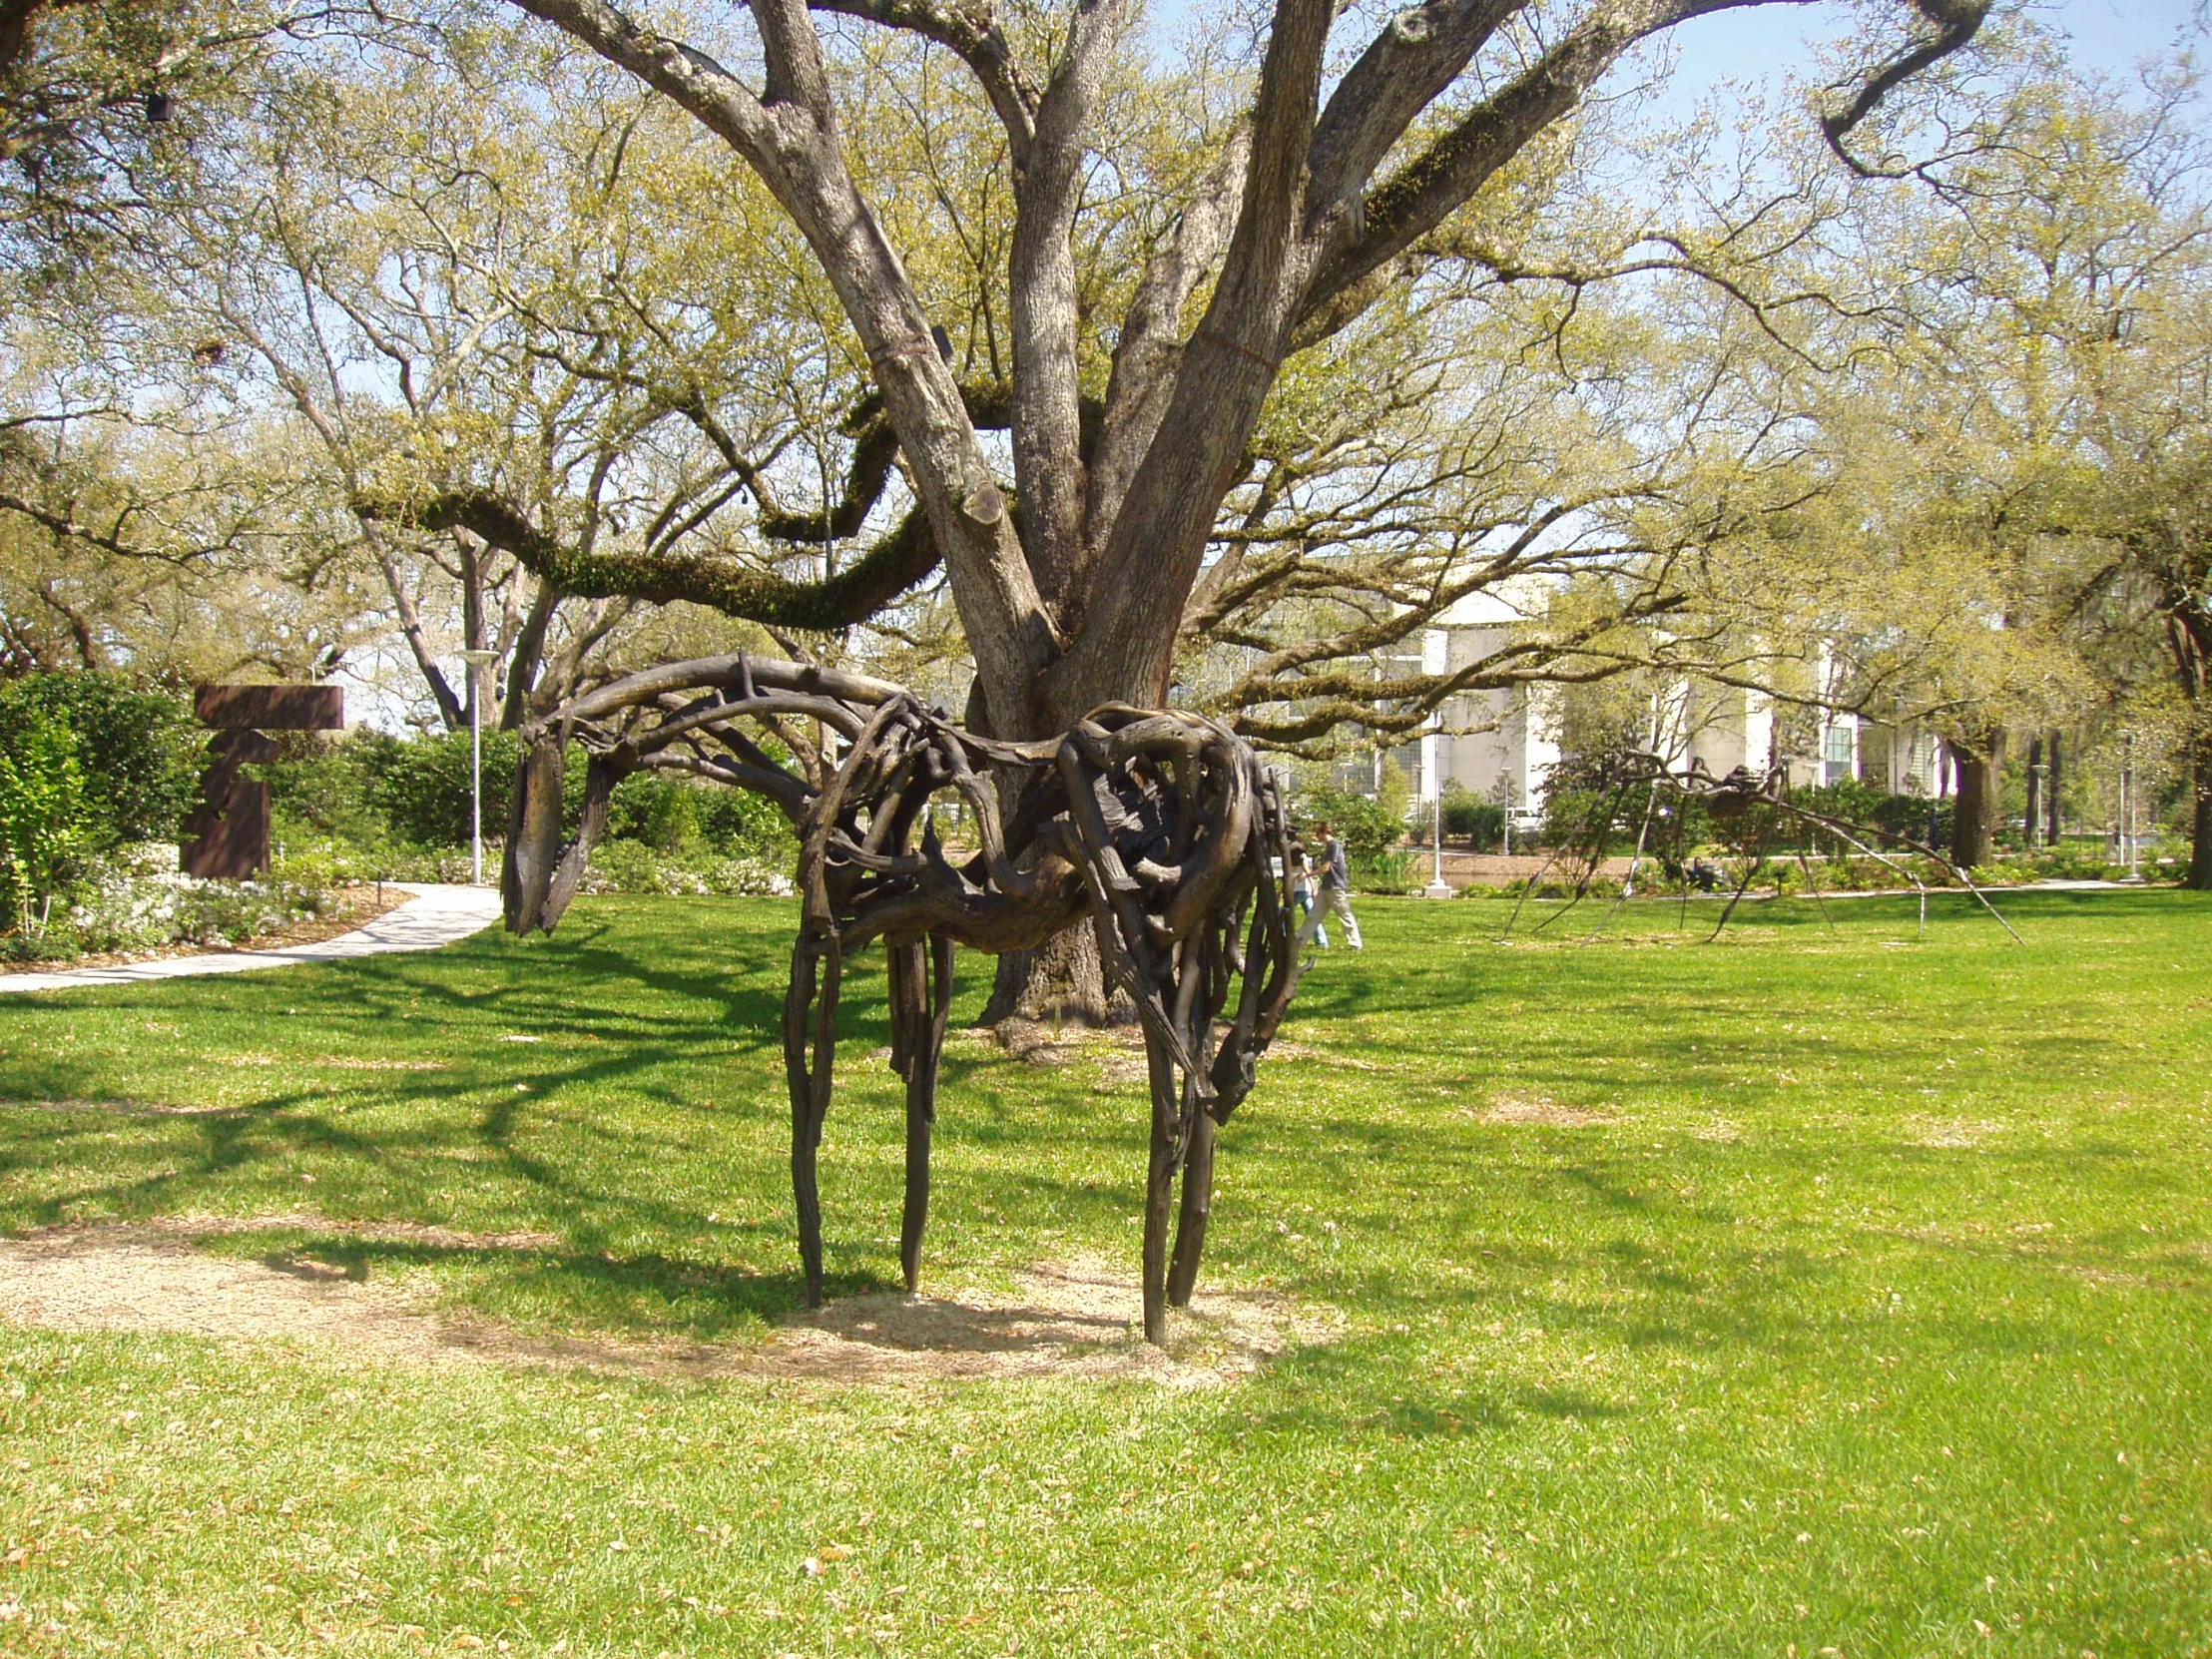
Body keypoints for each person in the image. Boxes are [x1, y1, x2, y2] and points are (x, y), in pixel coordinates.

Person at [1297, 820, 1363, 951]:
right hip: (1326, 887)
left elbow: (1326, 867)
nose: (1316, 837)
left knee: (1345, 915)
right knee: (1313, 915)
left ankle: (1355, 943)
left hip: (1335, 886)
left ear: (1323, 832)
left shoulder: (1334, 845)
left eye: (1317, 833)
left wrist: (1307, 875)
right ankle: (1299, 941)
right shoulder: (1329, 846)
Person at [1288, 831, 1327, 947]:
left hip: (1300, 891)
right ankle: (1322, 942)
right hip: (1301, 890)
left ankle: (1284, 937)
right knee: (1312, 916)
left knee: (1282, 913)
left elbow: (1309, 873)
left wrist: (1314, 889)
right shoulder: (1290, 856)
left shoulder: (1300, 857)